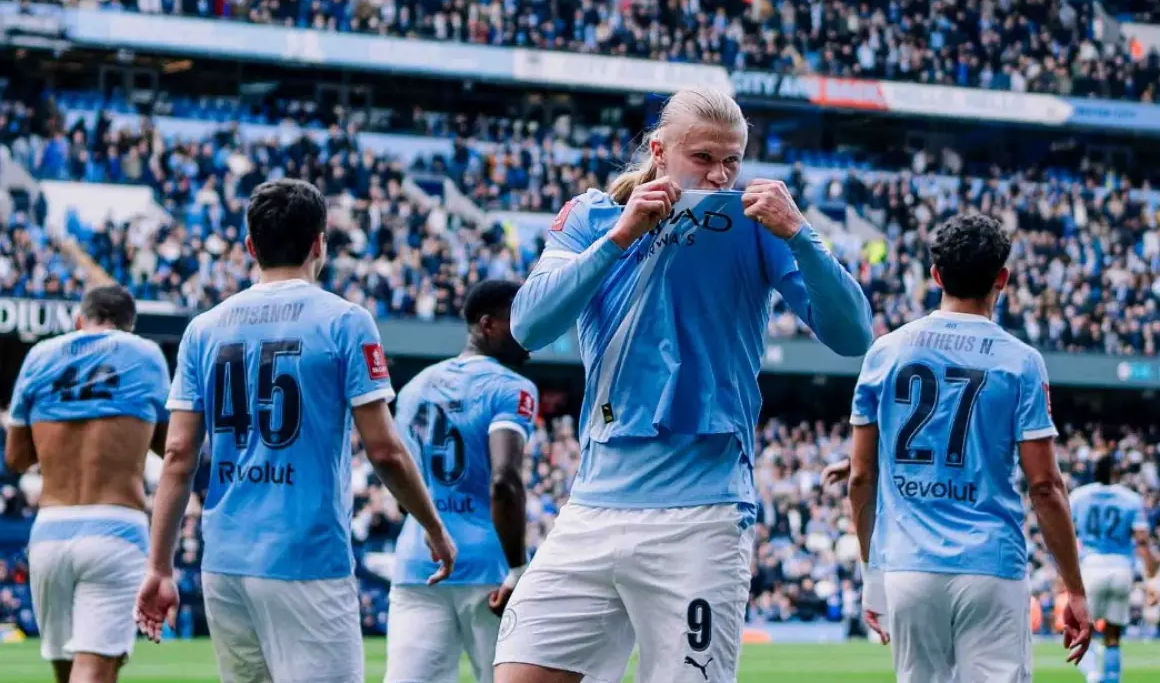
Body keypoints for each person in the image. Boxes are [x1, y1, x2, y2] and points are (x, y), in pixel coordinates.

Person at [493, 87, 874, 683]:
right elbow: (528, 325)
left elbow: (852, 335)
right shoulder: (592, 216)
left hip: (703, 513)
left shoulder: (758, 227)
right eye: (703, 158)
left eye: (732, 161)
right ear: (659, 150)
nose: (720, 175)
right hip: (593, 506)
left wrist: (801, 234)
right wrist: (618, 237)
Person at [134, 178, 457, 683]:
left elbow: (177, 454)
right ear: (319, 243)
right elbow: (385, 450)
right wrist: (434, 528)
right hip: (307, 557)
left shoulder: (204, 327)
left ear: (249, 247)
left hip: (225, 562)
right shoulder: (345, 322)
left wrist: (158, 567)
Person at [848, 212, 1092, 683]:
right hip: (990, 563)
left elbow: (861, 476)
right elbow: (1044, 486)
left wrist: (872, 573)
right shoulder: (1020, 362)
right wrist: (1074, 589)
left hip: (907, 565)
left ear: (936, 275)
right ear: (1002, 278)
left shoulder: (886, 351)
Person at [4, 285, 170, 683]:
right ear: (129, 325)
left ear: (80, 320)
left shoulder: (39, 356)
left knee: (67, 673)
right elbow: (170, 448)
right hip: (115, 530)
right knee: (95, 673)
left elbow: (16, 458)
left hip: (49, 533)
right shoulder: (144, 354)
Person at [386, 279, 538, 683]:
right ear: (487, 324)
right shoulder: (512, 388)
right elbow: (504, 483)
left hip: (418, 563)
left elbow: (401, 490)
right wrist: (518, 568)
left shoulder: (414, 389)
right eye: (517, 320)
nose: (529, 330)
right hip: (489, 568)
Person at [1070, 454, 1156, 683]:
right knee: (1113, 634)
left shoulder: (1079, 496)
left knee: (1079, 630)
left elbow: (1067, 533)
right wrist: (1152, 571)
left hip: (1091, 565)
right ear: (1116, 473)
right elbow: (1142, 539)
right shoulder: (1130, 499)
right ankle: (1112, 679)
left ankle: (1092, 675)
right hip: (1121, 568)